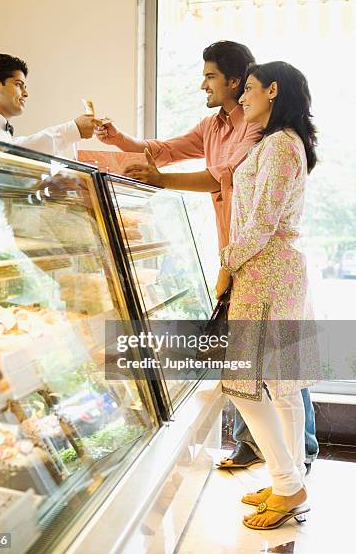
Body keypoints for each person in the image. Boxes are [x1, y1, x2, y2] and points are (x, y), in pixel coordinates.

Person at [94, 41, 318, 471]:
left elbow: (222, 178)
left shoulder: (264, 132)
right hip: (238, 251)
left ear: (240, 83)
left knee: (276, 368)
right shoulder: (214, 126)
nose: (203, 85)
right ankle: (266, 454)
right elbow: (165, 149)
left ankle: (295, 457)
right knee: (260, 366)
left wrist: (163, 182)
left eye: (211, 76)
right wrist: (118, 139)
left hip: (256, 258)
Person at [216, 61, 318, 530]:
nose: (242, 98)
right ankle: (290, 480)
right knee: (283, 388)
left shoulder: (279, 145)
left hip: (265, 275)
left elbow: (261, 222)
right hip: (277, 273)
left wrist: (226, 265)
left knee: (242, 386)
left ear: (273, 91)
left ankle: (286, 483)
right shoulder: (285, 144)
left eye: (250, 89)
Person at [0, 54, 99, 158]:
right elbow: (10, 156)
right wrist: (73, 130)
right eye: (18, 85)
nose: (26, 93)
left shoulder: (3, 133)